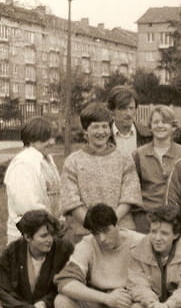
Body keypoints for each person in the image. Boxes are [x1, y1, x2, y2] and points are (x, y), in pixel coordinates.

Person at [60, 102, 143, 242]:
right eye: (95, 127)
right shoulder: (73, 161)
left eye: (105, 126)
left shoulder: (124, 158)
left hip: (120, 230)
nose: (101, 132)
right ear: (85, 130)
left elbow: (130, 196)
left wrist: (110, 226)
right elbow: (71, 201)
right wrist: (94, 227)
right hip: (85, 232)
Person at [132, 105, 181, 233]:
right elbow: (133, 189)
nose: (160, 125)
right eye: (156, 122)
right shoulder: (139, 154)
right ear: (150, 126)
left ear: (173, 127)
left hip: (174, 218)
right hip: (146, 219)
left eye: (165, 122)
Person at [4, 117, 61, 243]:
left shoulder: (46, 159)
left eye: (53, 137)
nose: (52, 142)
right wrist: (55, 224)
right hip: (27, 236)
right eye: (45, 138)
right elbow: (28, 206)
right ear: (31, 139)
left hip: (46, 232)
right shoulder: (23, 164)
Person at [106, 85, 152, 156]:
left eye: (131, 108)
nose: (128, 114)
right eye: (123, 109)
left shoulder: (147, 135)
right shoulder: (104, 136)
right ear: (112, 110)